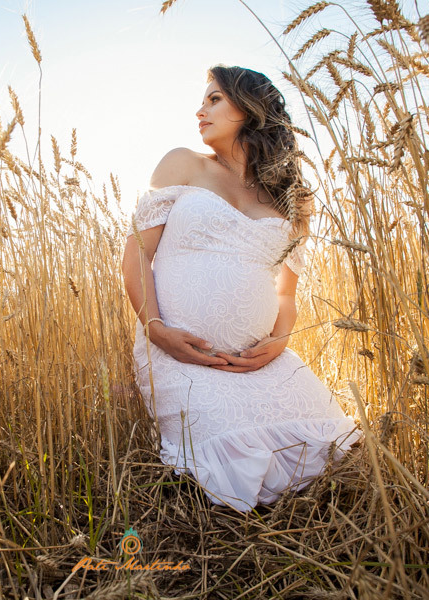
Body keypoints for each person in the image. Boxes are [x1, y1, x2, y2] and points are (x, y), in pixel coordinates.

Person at [121, 65, 362, 512]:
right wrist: (157, 330)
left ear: (250, 108)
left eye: (214, 99)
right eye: (203, 100)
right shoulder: (183, 164)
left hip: (260, 361)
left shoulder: (293, 196)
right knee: (232, 464)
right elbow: (137, 253)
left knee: (331, 448)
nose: (200, 110)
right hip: (180, 352)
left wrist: (279, 342)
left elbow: (286, 293)